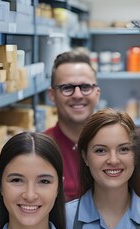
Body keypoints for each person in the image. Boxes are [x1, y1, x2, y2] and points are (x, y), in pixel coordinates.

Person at [45, 48, 101, 201]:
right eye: (67, 88)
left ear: (97, 93)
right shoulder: (40, 150)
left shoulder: (117, 148)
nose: (77, 95)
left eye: (85, 87)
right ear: (52, 95)